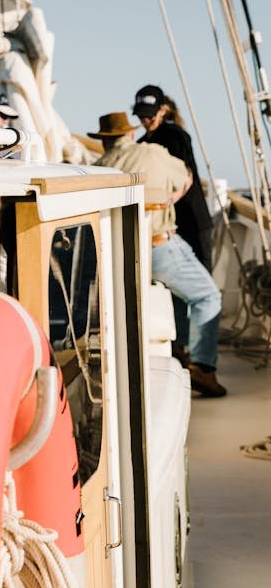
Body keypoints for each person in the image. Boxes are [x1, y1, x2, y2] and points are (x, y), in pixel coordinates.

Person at [90, 111, 226, 397]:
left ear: (104, 141)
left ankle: (178, 353)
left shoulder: (100, 166)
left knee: (177, 294)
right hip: (160, 247)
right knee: (207, 297)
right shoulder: (152, 153)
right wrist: (170, 198)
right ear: (129, 134)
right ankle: (202, 366)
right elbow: (186, 178)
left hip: (124, 254)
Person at [133, 85, 213, 366]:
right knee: (176, 291)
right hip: (170, 226)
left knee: (200, 292)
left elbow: (185, 175)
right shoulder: (144, 142)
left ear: (163, 111)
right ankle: (182, 351)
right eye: (141, 116)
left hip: (192, 223)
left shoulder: (176, 136)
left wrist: (168, 199)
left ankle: (199, 357)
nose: (145, 120)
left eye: (149, 115)